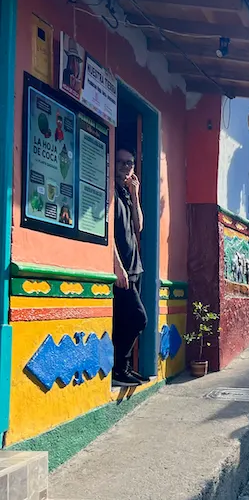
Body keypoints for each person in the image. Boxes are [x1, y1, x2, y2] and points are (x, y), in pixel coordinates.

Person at [113, 147, 148, 387]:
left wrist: (135, 194)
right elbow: (106, 233)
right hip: (122, 270)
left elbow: (139, 227)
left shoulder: (126, 194)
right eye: (122, 162)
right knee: (138, 318)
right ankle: (118, 368)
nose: (126, 167)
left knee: (127, 320)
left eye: (130, 163)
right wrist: (117, 266)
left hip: (136, 268)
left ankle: (124, 368)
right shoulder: (109, 192)